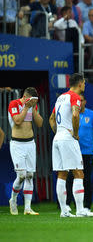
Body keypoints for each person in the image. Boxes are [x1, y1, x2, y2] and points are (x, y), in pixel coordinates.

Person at [49, 73, 93, 217]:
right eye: (84, 83)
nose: (84, 85)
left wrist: (59, 131)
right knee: (78, 173)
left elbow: (51, 119)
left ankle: (64, 210)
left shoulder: (60, 97)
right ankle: (81, 210)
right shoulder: (74, 97)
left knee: (62, 174)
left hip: (57, 138)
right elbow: (76, 115)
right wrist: (75, 134)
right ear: (80, 83)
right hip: (68, 139)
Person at [8, 87, 43, 215]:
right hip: (17, 143)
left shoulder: (32, 107)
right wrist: (26, 107)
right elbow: (17, 121)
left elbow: (39, 123)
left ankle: (27, 208)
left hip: (30, 143)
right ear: (25, 97)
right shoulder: (14, 104)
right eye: (31, 100)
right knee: (21, 176)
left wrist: (32, 108)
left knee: (30, 175)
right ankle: (13, 200)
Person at [65, 93, 93, 211]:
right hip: (73, 151)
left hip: (88, 152)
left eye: (81, 100)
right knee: (70, 177)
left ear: (85, 101)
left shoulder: (92, 115)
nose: (79, 103)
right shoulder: (71, 114)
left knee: (86, 179)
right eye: (78, 101)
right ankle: (68, 204)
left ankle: (87, 206)